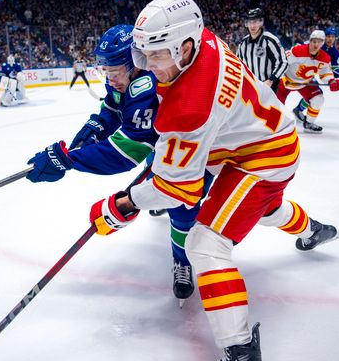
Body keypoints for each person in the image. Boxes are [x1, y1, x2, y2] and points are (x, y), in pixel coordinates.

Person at [88, 0, 339, 361]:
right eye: (142, 55)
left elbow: (177, 192)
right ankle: (311, 228)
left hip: (261, 155)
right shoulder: (203, 41)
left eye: (158, 56)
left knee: (205, 245)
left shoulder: (189, 105)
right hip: (257, 138)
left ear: (186, 45)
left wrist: (122, 203)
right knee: (261, 207)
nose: (150, 67)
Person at [26, 24, 210, 304]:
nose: (110, 80)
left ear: (134, 63)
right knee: (159, 185)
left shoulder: (148, 87)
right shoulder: (124, 79)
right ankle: (159, 198)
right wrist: (96, 126)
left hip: (196, 151)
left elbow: (125, 153)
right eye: (106, 73)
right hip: (160, 145)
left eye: (114, 73)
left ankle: (182, 262)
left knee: (183, 208)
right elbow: (112, 107)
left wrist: (68, 160)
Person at [277, 30, 339, 134]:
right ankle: (276, 123)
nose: (316, 44)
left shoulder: (325, 57)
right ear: (310, 41)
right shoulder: (297, 51)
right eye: (314, 41)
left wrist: (331, 80)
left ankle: (309, 123)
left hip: (305, 83)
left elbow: (325, 73)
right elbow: (282, 62)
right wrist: (278, 78)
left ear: (322, 43)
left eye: (319, 42)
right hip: (285, 80)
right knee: (276, 104)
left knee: (318, 99)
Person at [293, 27, 339, 122]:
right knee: (314, 93)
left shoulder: (334, 52)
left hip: (313, 71)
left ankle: (298, 110)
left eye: (332, 36)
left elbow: (333, 67)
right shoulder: (314, 43)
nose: (330, 39)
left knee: (315, 94)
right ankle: (298, 110)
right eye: (328, 36)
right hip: (301, 70)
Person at [235, 7, 288, 93]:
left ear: (261, 22)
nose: (252, 26)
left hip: (269, 88)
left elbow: (283, 62)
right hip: (251, 88)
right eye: (249, 22)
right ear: (246, 24)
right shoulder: (243, 43)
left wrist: (271, 80)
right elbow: (238, 64)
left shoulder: (270, 40)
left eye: (255, 22)